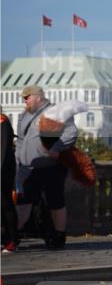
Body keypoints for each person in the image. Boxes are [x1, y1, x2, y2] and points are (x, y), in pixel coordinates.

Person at [15, 86, 77, 249]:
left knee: (54, 201)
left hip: (51, 166)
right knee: (23, 201)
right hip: (28, 167)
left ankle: (58, 235)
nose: (24, 100)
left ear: (39, 97)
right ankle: (13, 235)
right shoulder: (23, 116)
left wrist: (56, 148)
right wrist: (18, 160)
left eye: (27, 97)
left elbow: (70, 132)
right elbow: (20, 141)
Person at [1, 107, 17, 252]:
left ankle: (11, 240)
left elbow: (4, 151)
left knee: (5, 204)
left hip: (3, 171)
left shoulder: (2, 122)